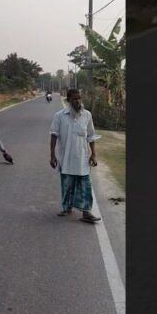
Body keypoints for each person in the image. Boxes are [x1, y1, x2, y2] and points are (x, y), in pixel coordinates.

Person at [49, 88, 101, 223]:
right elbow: (54, 135)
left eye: (79, 98)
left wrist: (94, 155)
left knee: (86, 185)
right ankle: (66, 208)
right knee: (67, 184)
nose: (78, 101)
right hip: (66, 157)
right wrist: (52, 155)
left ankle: (86, 212)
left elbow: (91, 136)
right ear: (68, 100)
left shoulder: (87, 115)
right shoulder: (59, 116)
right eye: (74, 99)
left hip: (83, 157)